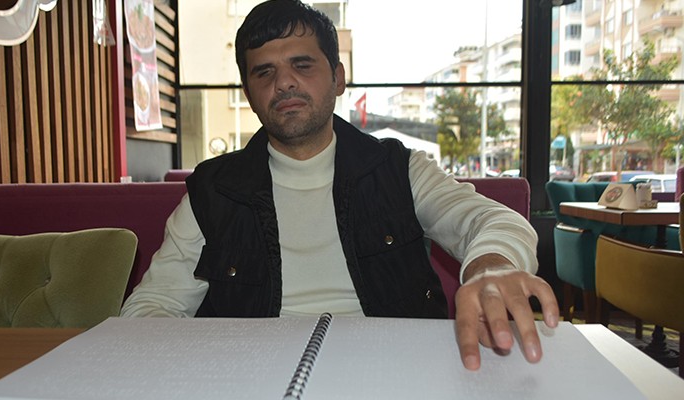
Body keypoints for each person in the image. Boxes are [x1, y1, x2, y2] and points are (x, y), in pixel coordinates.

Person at [121, 0, 559, 371]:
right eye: (264, 72)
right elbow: (151, 306)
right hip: (253, 372)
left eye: (302, 65)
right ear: (249, 93)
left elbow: (492, 221)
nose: (283, 82)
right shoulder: (213, 190)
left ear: (338, 77)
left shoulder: (399, 169)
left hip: (392, 370)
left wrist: (491, 268)